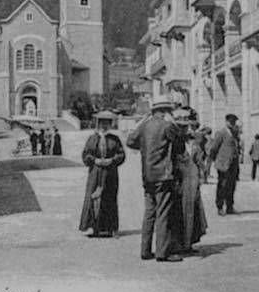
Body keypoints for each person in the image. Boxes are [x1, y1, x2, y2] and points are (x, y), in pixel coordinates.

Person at [127, 94, 185, 263]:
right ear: (166, 110)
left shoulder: (145, 126)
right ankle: (162, 252)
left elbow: (130, 141)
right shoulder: (167, 125)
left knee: (149, 213)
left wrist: (145, 145)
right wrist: (174, 124)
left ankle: (145, 251)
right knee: (163, 213)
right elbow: (180, 146)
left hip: (147, 175)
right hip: (164, 175)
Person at [79, 110, 126, 238]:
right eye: (102, 123)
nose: (104, 125)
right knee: (94, 197)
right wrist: (95, 160)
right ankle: (95, 228)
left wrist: (112, 160)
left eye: (107, 123)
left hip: (110, 173)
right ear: (98, 123)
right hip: (95, 172)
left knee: (110, 197)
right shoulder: (92, 139)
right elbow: (85, 155)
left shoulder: (114, 139)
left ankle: (112, 228)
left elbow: (121, 154)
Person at [170, 109, 207, 254]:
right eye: (181, 126)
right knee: (179, 212)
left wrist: (201, 175)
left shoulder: (193, 142)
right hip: (180, 181)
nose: (184, 129)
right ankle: (178, 244)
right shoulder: (174, 142)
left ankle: (189, 242)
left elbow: (198, 160)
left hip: (193, 181)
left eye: (186, 126)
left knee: (194, 212)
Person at [208, 113, 241, 215]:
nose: (232, 124)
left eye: (234, 122)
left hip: (233, 163)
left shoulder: (235, 133)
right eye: (231, 122)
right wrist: (215, 160)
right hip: (223, 164)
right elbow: (214, 148)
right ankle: (220, 207)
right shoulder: (221, 133)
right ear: (226, 122)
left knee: (232, 185)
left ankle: (230, 206)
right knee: (222, 185)